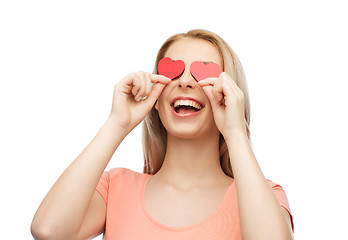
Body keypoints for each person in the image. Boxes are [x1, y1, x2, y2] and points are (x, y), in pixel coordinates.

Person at [31, 29, 294, 240]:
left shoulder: (263, 196)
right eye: (174, 71)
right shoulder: (115, 188)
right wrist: (117, 124)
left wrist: (235, 132)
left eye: (204, 73)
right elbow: (49, 230)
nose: (185, 81)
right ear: (157, 99)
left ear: (228, 96)